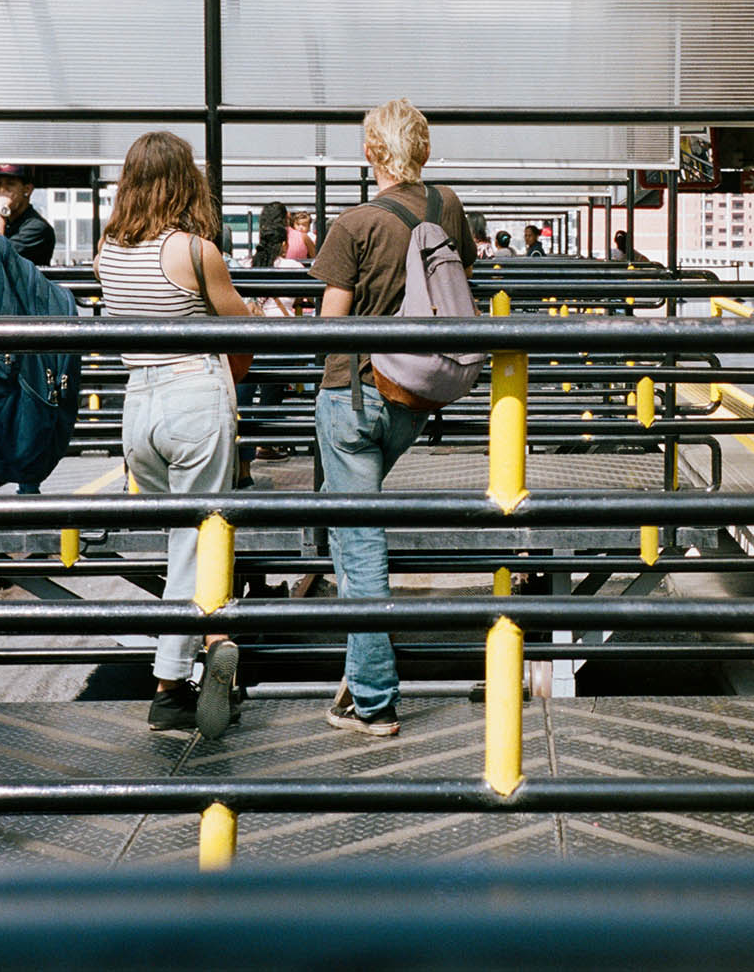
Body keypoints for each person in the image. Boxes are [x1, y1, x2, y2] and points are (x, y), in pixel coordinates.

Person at [312, 99, 477, 737]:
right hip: (411, 399)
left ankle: (375, 699)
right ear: (423, 150)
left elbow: (330, 323)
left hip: (350, 394)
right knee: (348, 534)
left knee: (358, 544)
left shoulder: (353, 225)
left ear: (370, 153)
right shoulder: (448, 208)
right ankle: (357, 681)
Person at [94, 132, 249, 739]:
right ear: (184, 181)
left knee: (182, 538)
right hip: (194, 394)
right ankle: (169, 685)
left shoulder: (107, 251)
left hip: (139, 407)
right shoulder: (193, 249)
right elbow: (239, 324)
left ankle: (214, 640)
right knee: (197, 541)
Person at [246, 201, 307, 461]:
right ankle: (267, 443)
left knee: (246, 397)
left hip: (250, 340)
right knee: (273, 393)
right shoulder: (293, 269)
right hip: (281, 340)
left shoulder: (246, 265)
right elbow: (309, 298)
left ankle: (245, 449)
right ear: (284, 245)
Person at [0, 164, 55, 266]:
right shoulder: (4, 222)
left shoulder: (37, 227)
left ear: (27, 189)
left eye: (10, 184)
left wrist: (1, 210)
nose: (2, 191)